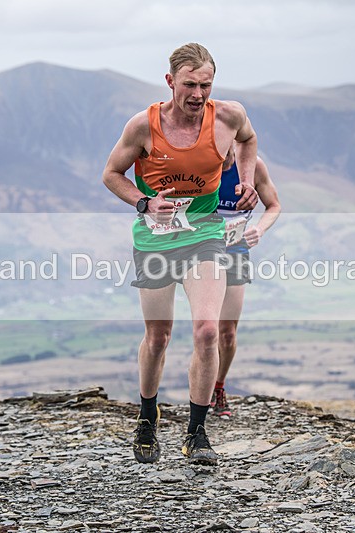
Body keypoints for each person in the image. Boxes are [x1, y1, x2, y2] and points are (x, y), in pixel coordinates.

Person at [102, 43, 258, 465]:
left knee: (208, 330)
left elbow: (248, 140)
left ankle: (196, 432)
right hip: (155, 237)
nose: (198, 93)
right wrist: (144, 203)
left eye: (205, 84)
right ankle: (148, 418)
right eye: (189, 84)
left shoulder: (228, 116)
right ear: (170, 81)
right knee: (159, 336)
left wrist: (245, 181)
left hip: (205, 234)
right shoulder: (143, 126)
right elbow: (111, 174)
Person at [211, 144, 281, 417]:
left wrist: (258, 230)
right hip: (198, 248)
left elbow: (274, 205)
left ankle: (218, 386)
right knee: (204, 328)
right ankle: (199, 393)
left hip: (235, 250)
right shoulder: (200, 162)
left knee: (226, 332)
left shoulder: (253, 167)